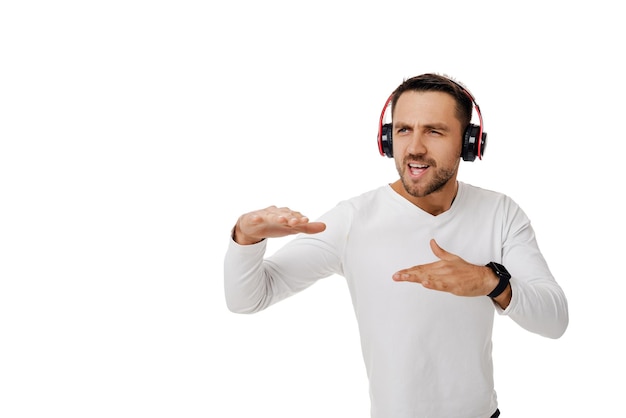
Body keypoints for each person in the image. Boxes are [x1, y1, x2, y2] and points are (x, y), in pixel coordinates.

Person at [223, 73, 569, 418]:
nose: (415, 148)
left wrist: (490, 282)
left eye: (434, 131)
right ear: (386, 139)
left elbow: (555, 321)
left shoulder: (501, 213)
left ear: (469, 142)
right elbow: (248, 299)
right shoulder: (353, 219)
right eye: (404, 130)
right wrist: (247, 238)